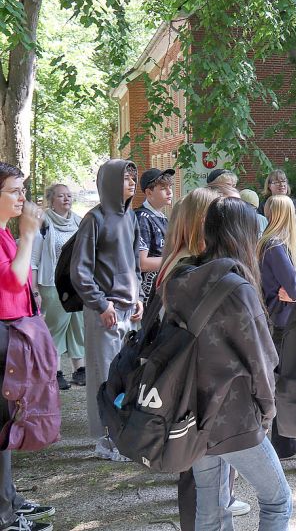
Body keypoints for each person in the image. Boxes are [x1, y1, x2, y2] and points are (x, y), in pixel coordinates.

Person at [165, 197, 291, 530]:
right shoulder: (239, 288)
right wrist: (266, 414)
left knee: (211, 505)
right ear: (244, 235)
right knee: (278, 500)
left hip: (191, 413)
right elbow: (262, 360)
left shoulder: (180, 277)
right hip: (234, 419)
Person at [159, 187, 252, 528]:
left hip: (192, 392)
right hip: (197, 393)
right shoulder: (188, 267)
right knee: (198, 483)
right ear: (202, 220)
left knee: (203, 482)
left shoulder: (183, 262)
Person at [70, 159, 144, 462]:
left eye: (133, 178)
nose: (131, 183)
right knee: (104, 377)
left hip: (130, 309)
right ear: (110, 182)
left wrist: (139, 296)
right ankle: (105, 440)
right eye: (125, 178)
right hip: (105, 311)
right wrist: (101, 304)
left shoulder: (131, 218)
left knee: (127, 376)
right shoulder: (94, 219)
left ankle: (123, 435)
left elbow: (134, 264)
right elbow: (80, 271)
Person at [0, 163, 56, 531]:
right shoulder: (12, 234)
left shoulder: (3, 233)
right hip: (4, 335)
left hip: (15, 331)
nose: (23, 197)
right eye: (15, 190)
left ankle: (8, 499)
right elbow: (15, 277)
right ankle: (4, 516)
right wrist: (30, 235)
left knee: (7, 423)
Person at [258, 195, 296, 472]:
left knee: (282, 385)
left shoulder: (266, 243)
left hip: (277, 321)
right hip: (285, 323)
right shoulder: (277, 246)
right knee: (295, 386)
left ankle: (284, 445)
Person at [31, 183, 84, 391]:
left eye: (69, 195)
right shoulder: (42, 223)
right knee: (55, 327)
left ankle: (80, 369)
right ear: (51, 201)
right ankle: (54, 371)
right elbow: (33, 260)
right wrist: (34, 289)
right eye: (61, 196)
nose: (66, 199)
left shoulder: (79, 222)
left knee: (77, 326)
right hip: (52, 283)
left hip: (76, 283)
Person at [135, 168, 175, 303]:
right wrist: (176, 259)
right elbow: (142, 263)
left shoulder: (161, 217)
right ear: (149, 192)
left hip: (161, 287)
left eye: (170, 187)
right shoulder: (143, 218)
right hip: (148, 294)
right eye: (163, 188)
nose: (170, 192)